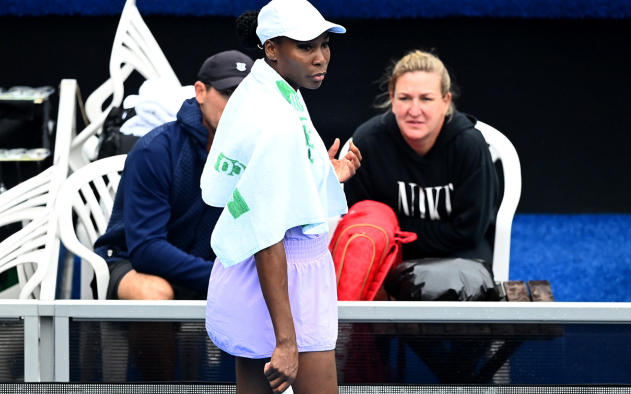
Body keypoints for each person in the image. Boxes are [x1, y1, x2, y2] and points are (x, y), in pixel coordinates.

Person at [200, 0, 361, 393]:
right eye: (306, 47)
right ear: (272, 48)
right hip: (280, 279)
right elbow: (266, 232)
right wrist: (287, 342)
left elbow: (266, 184)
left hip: (262, 277)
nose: (321, 57)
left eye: (324, 44)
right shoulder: (275, 118)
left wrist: (319, 174)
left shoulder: (266, 88)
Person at [93, 50, 254, 300]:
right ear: (200, 92)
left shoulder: (260, 153)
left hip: (214, 272)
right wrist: (224, 279)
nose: (239, 106)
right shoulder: (155, 149)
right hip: (132, 263)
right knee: (154, 294)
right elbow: (147, 250)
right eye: (229, 93)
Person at [343, 50, 499, 271]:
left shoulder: (469, 146)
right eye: (405, 98)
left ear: (446, 102)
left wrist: (396, 230)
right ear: (392, 99)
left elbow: (469, 233)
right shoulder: (368, 142)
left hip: (458, 254)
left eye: (426, 99)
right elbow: (360, 222)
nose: (414, 110)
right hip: (389, 253)